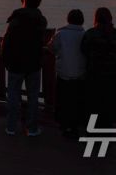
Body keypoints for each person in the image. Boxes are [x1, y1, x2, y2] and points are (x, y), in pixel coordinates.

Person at [1, 0, 48, 136]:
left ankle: (11, 127)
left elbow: (6, 40)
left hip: (15, 62)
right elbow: (42, 40)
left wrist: (5, 58)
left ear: (24, 1)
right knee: (33, 96)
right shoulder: (41, 20)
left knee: (13, 95)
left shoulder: (16, 18)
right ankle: (32, 129)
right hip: (34, 62)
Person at [81, 7, 116, 127]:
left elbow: (84, 49)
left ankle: (92, 130)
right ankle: (107, 129)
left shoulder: (90, 33)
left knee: (93, 103)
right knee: (108, 103)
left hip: (94, 72)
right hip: (111, 73)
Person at [49, 9, 86, 137]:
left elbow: (52, 47)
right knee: (76, 101)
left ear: (68, 19)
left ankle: (65, 125)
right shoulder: (84, 35)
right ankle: (75, 126)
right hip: (80, 74)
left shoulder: (61, 34)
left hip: (63, 73)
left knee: (63, 100)